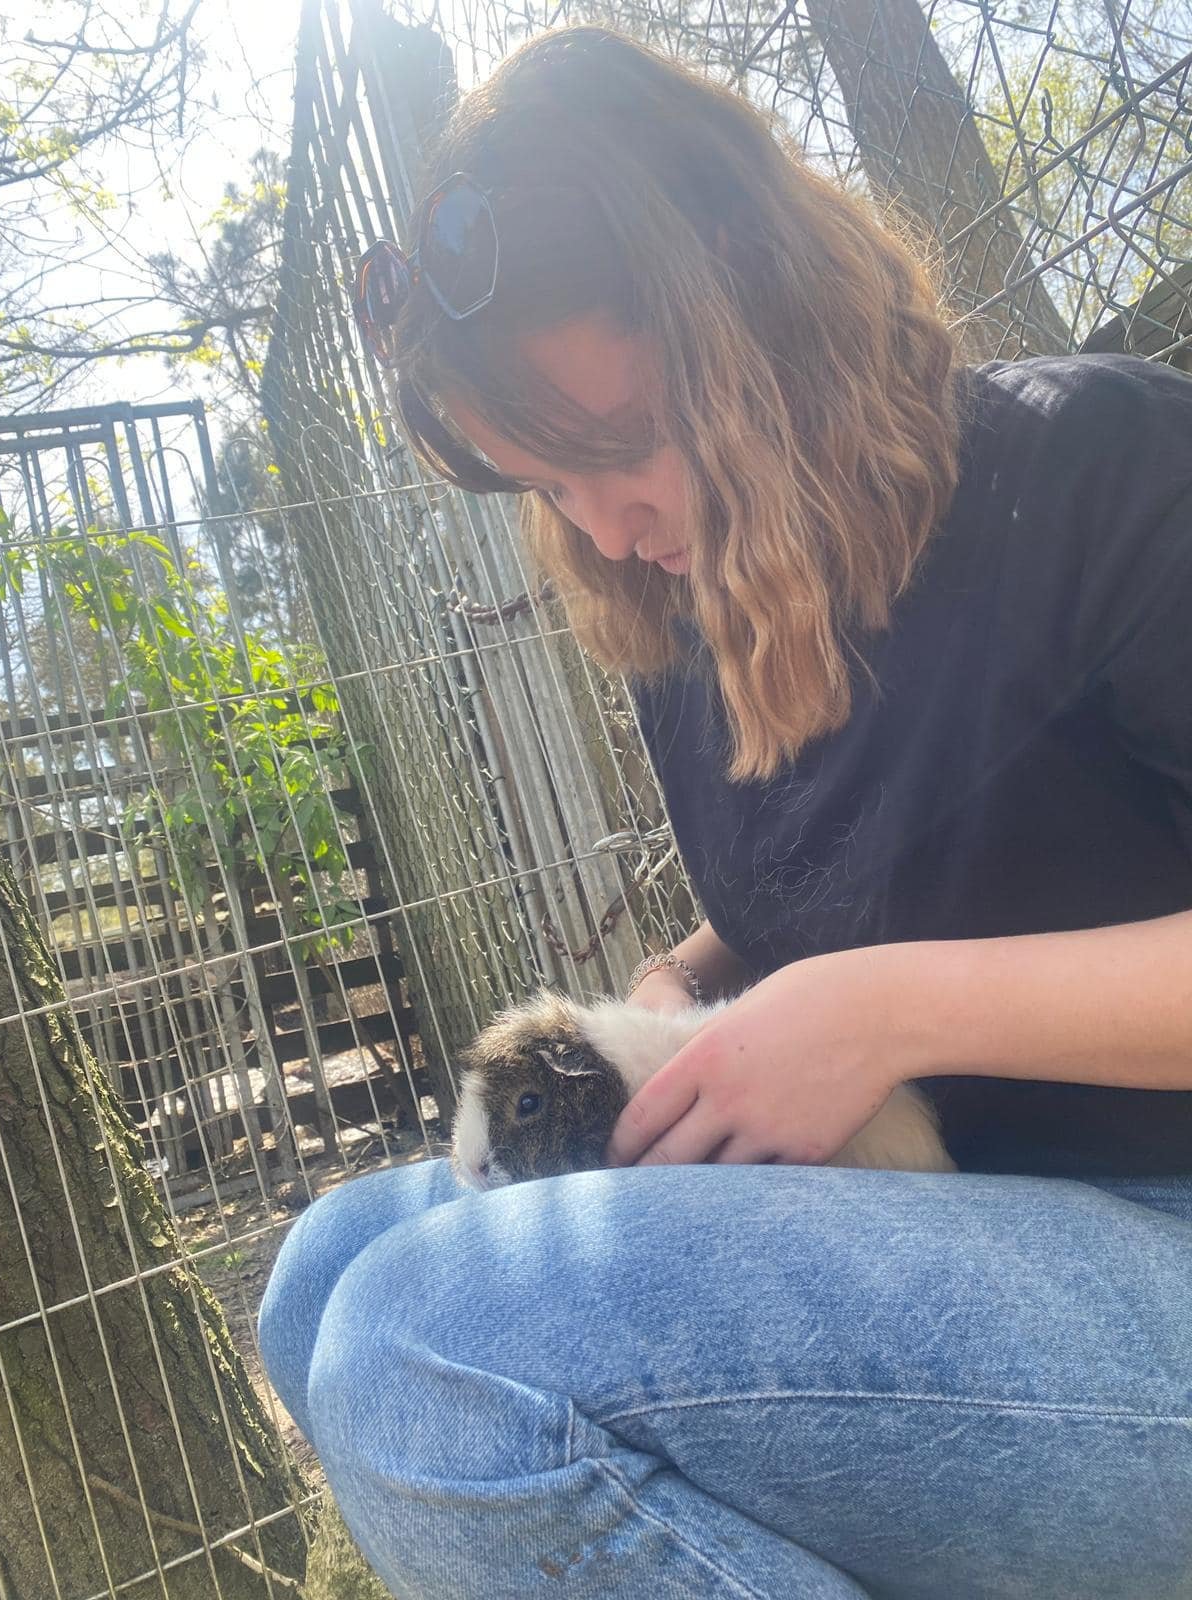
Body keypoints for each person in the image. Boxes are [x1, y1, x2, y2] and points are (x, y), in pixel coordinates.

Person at [258, 25, 1192, 1599]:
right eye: (542, 485)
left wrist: (876, 1015)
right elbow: (918, 851)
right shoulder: (697, 630)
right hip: (965, 1233)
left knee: (441, 1353)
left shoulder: (1098, 462)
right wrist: (698, 982)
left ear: (757, 319)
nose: (604, 529)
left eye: (617, 449)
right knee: (322, 1280)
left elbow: (905, 939)